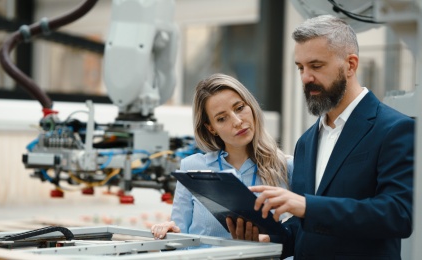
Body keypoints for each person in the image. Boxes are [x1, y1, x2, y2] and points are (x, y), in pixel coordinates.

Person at [228, 14, 414, 259]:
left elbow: (398, 214)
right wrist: (269, 240)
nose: (306, 77)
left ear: (350, 65)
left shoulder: (394, 128)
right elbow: (306, 227)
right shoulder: (306, 142)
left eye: (316, 66)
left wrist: (306, 206)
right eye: (300, 68)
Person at [151, 73, 293, 242]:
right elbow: (178, 237)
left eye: (239, 108)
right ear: (211, 128)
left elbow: (299, 236)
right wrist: (168, 232)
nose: (237, 121)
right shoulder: (192, 168)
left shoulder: (286, 168)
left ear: (251, 106)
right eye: (222, 118)